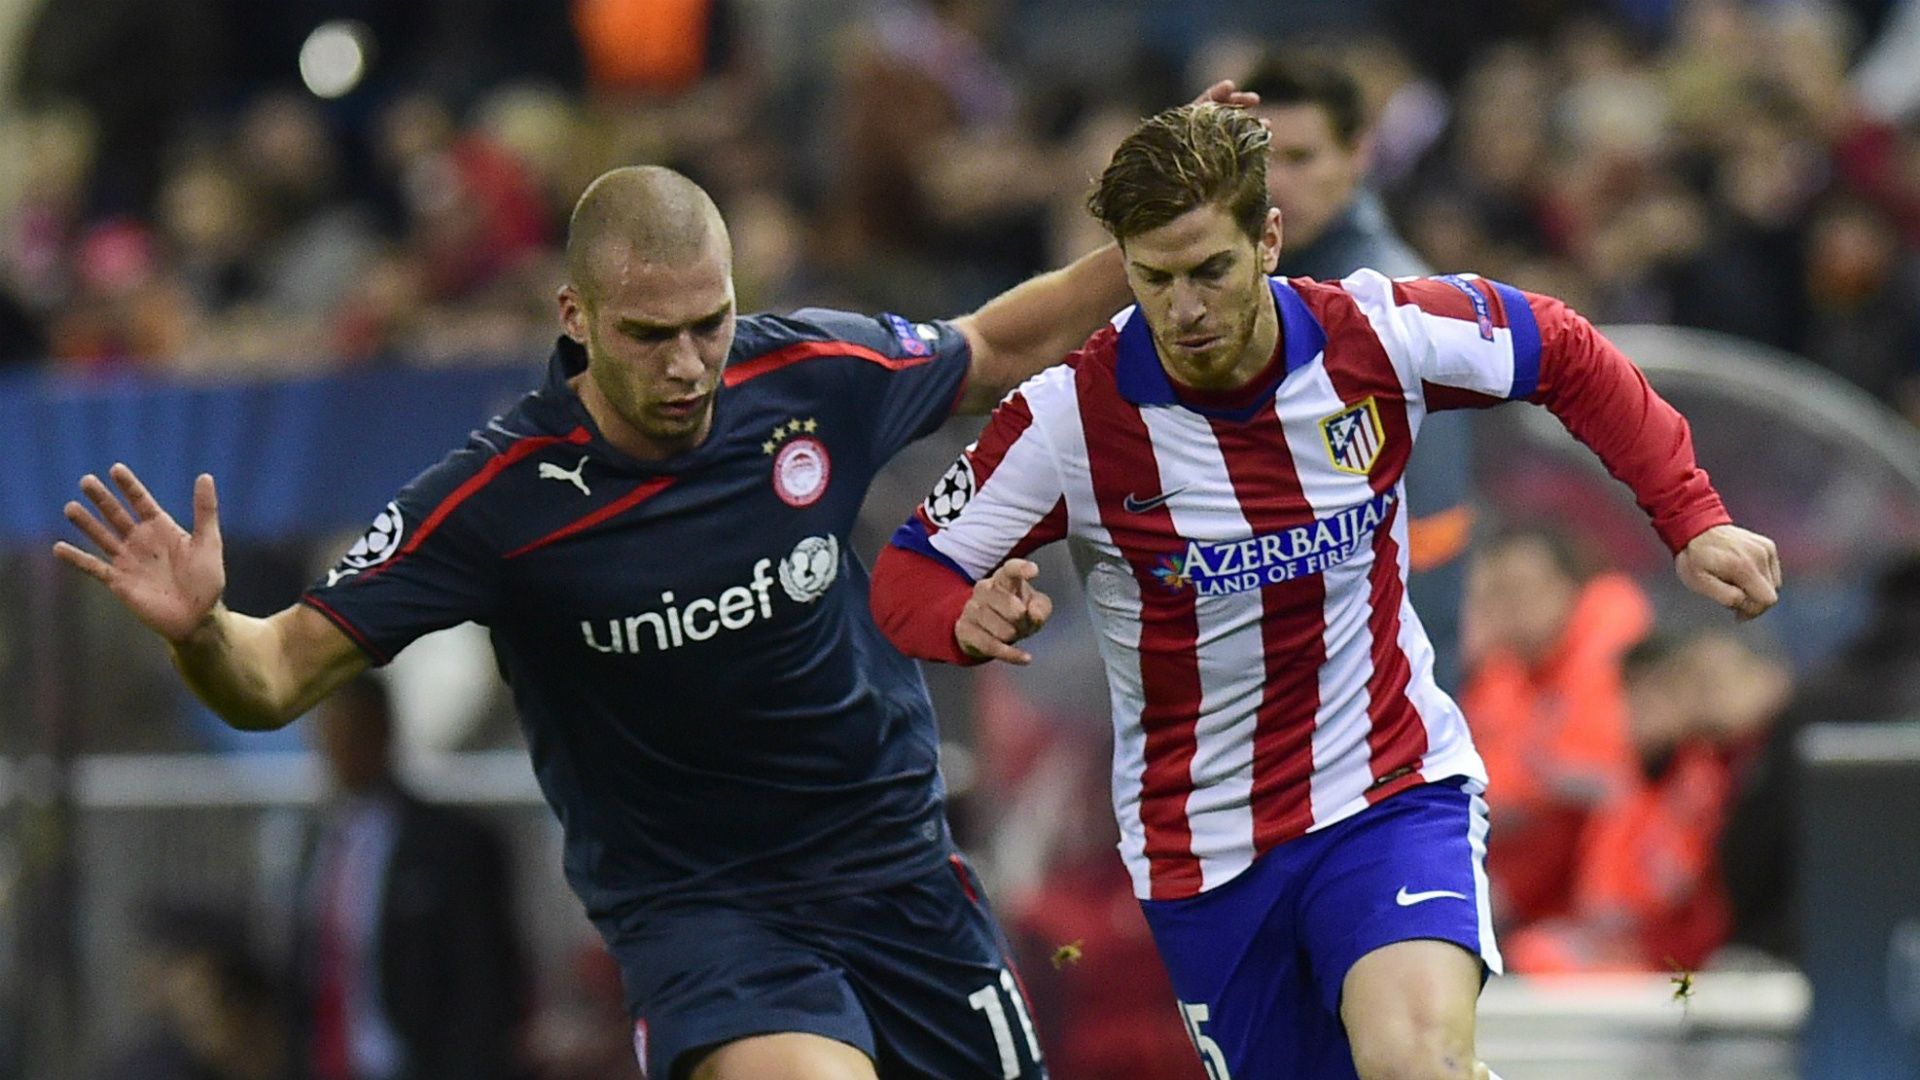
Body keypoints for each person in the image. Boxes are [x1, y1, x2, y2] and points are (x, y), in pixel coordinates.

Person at [52, 84, 1254, 1075]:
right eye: (647, 334)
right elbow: (272, 676)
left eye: (708, 324)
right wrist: (200, 629)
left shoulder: (807, 376)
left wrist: (1160, 237)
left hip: (900, 878)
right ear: (575, 314)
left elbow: (998, 343)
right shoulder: (496, 500)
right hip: (710, 920)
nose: (687, 366)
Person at [869, 103, 1782, 1080]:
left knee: (1415, 1062)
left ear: (1268, 239)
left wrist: (1693, 516)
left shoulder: (1376, 336)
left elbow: (1559, 346)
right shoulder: (1071, 419)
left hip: (1389, 787)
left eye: (1210, 270)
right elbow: (910, 573)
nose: (1184, 309)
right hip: (1206, 846)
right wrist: (960, 619)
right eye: (1154, 279)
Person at [1242, 50, 1476, 690]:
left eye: (1301, 158)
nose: (1276, 184)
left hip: (1370, 683)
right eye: (1261, 159)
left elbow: (1432, 531)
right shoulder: (1235, 290)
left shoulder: (1398, 308)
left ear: (1358, 154)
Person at [292, 674, 528, 1080]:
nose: (340, 748)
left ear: (383, 730)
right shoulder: (317, 841)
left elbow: (486, 978)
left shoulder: (450, 844)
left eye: (353, 731)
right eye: (328, 733)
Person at [1457, 527, 1650, 931]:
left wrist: (1520, 781)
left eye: (1521, 588)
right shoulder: (1504, 669)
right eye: (1495, 594)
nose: (1511, 608)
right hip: (1533, 888)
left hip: (1629, 887)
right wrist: (1460, 659)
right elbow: (1483, 786)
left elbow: (1592, 768)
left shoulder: (1608, 618)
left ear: (1568, 584)